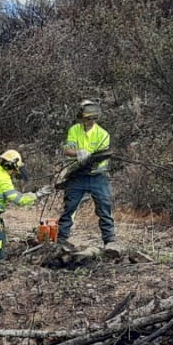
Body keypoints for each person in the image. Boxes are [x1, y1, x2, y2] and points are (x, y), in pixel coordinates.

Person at [57, 98, 114, 250]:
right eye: (88, 118)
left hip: (97, 175)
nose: (91, 121)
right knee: (69, 207)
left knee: (104, 206)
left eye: (94, 118)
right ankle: (61, 240)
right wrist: (78, 153)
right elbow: (67, 149)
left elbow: (103, 155)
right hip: (78, 174)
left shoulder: (103, 134)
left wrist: (93, 159)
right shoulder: (74, 130)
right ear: (82, 116)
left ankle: (110, 241)